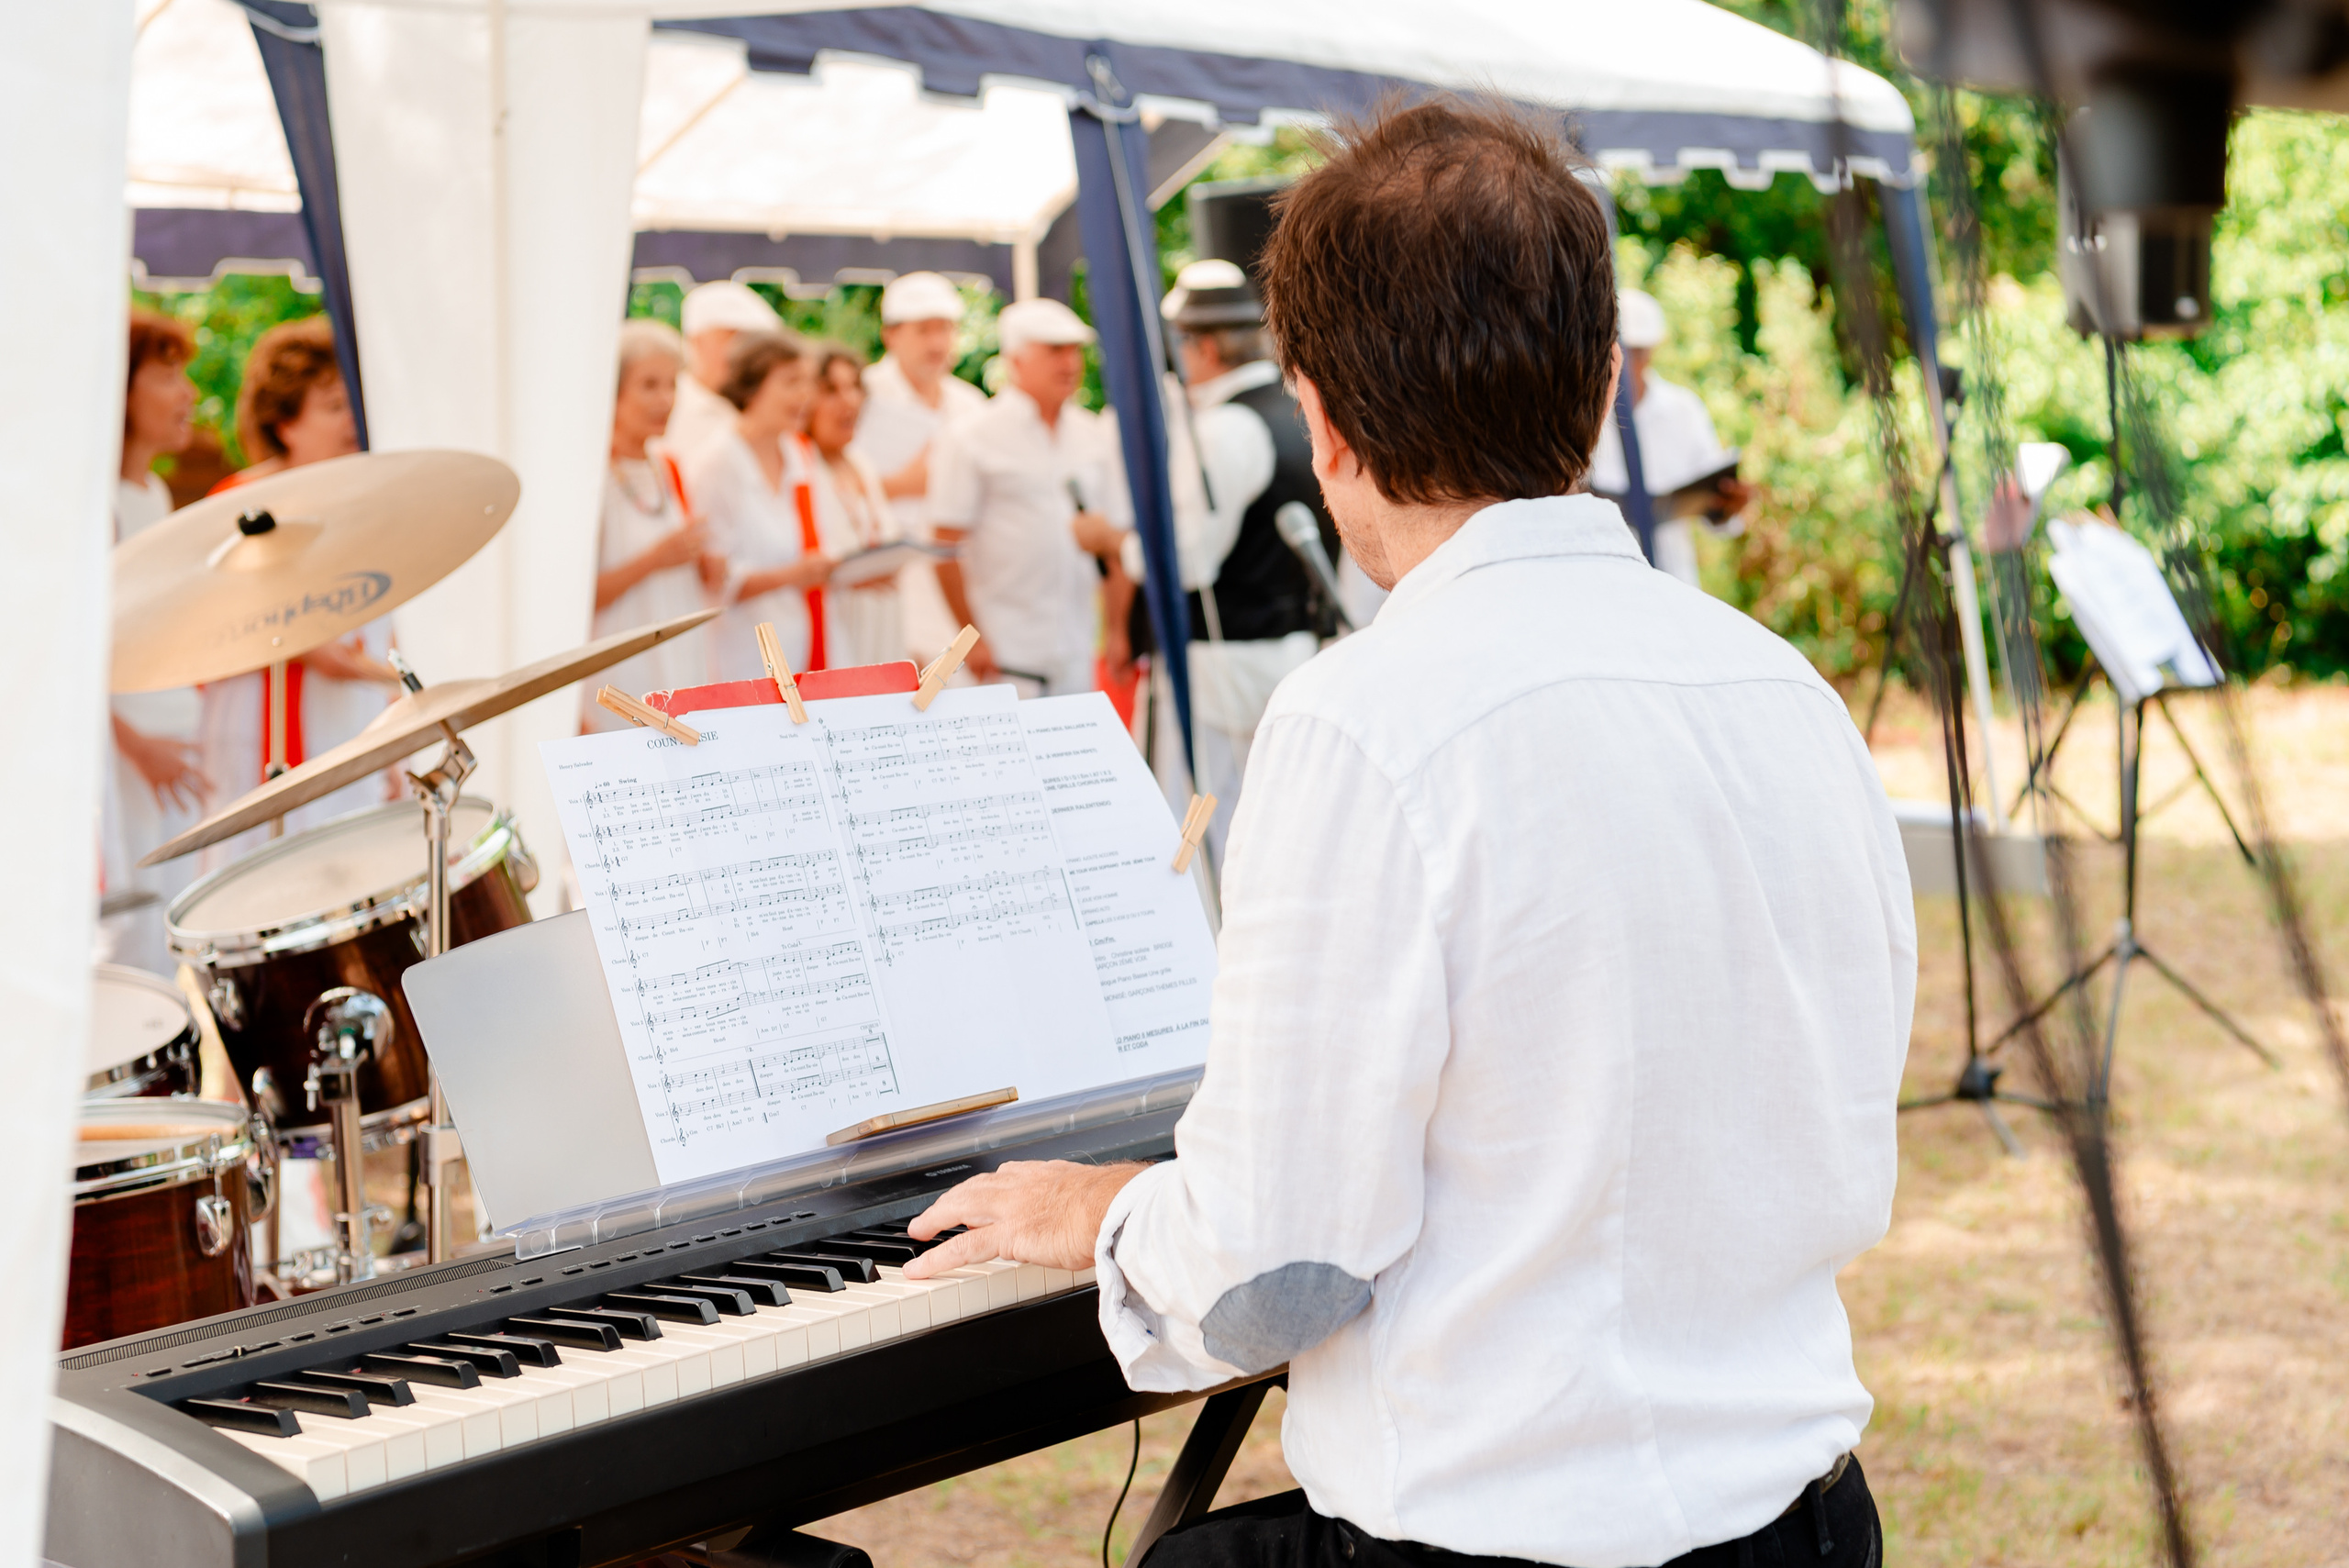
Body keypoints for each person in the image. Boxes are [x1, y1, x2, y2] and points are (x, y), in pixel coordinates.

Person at [901, 98, 1911, 1568]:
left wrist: (1108, 1209)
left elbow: (1275, 1274)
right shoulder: (1783, 683)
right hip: (1807, 1521)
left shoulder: (1364, 720)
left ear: (1320, 417)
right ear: (1599, 380)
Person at [1145, 257, 1339, 857]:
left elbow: (1188, 560)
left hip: (1220, 671)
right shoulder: (1304, 412)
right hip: (1294, 657)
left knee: (1200, 839)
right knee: (1276, 835)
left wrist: (1119, 545)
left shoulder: (1225, 428)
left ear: (1202, 347)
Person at [196, 317, 398, 867]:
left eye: (353, 404)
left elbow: (382, 627)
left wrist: (395, 743)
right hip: (264, 730)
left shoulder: (372, 500)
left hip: (349, 726)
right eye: (334, 406)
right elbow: (227, 617)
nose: (351, 421)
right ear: (285, 421)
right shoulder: (242, 500)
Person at [928, 297, 1130, 697]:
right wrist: (971, 639)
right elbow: (944, 547)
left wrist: (1117, 631)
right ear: (1017, 360)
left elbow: (1114, 543)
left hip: (1074, 649)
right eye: (1054, 350)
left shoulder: (1093, 436)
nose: (1070, 363)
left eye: (1075, 351)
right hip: (1003, 655)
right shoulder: (970, 436)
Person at [103, 309, 211, 970]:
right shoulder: (101, 503)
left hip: (170, 753)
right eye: (168, 374)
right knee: (130, 935)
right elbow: (70, 658)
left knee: (170, 930)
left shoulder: (155, 491)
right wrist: (135, 746)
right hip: (127, 758)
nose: (188, 394)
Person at [582, 319, 722, 731]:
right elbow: (575, 601)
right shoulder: (591, 479)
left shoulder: (668, 467)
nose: (664, 400)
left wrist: (706, 566)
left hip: (682, 668)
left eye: (672, 385)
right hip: (620, 680)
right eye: (649, 385)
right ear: (614, 391)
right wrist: (655, 560)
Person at [852, 272, 989, 662]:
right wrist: (901, 484)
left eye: (945, 330)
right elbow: (827, 486)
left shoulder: (971, 405)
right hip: (886, 584)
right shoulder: (861, 397)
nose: (937, 343)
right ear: (891, 335)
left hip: (957, 582)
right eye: (924, 330)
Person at [688, 329, 835, 683]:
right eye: (790, 382)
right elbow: (711, 578)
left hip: (798, 643)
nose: (805, 396)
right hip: (736, 656)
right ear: (752, 387)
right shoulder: (716, 463)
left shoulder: (797, 452)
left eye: (808, 383)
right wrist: (794, 575)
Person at [1587, 288, 1754, 589]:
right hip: (1604, 585)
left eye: (1638, 351)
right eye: (1621, 351)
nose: (1629, 362)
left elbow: (1717, 509)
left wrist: (1729, 504)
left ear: (1653, 350)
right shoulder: (1583, 418)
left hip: (1673, 582)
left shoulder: (1683, 410)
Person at [804, 341, 906, 670]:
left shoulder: (861, 463)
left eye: (854, 388)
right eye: (831, 390)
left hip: (880, 635)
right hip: (828, 643)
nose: (849, 401)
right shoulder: (798, 466)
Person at [667, 281, 786, 465]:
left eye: (752, 340)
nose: (745, 351)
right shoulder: (667, 408)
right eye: (732, 336)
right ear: (696, 341)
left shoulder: (766, 410)